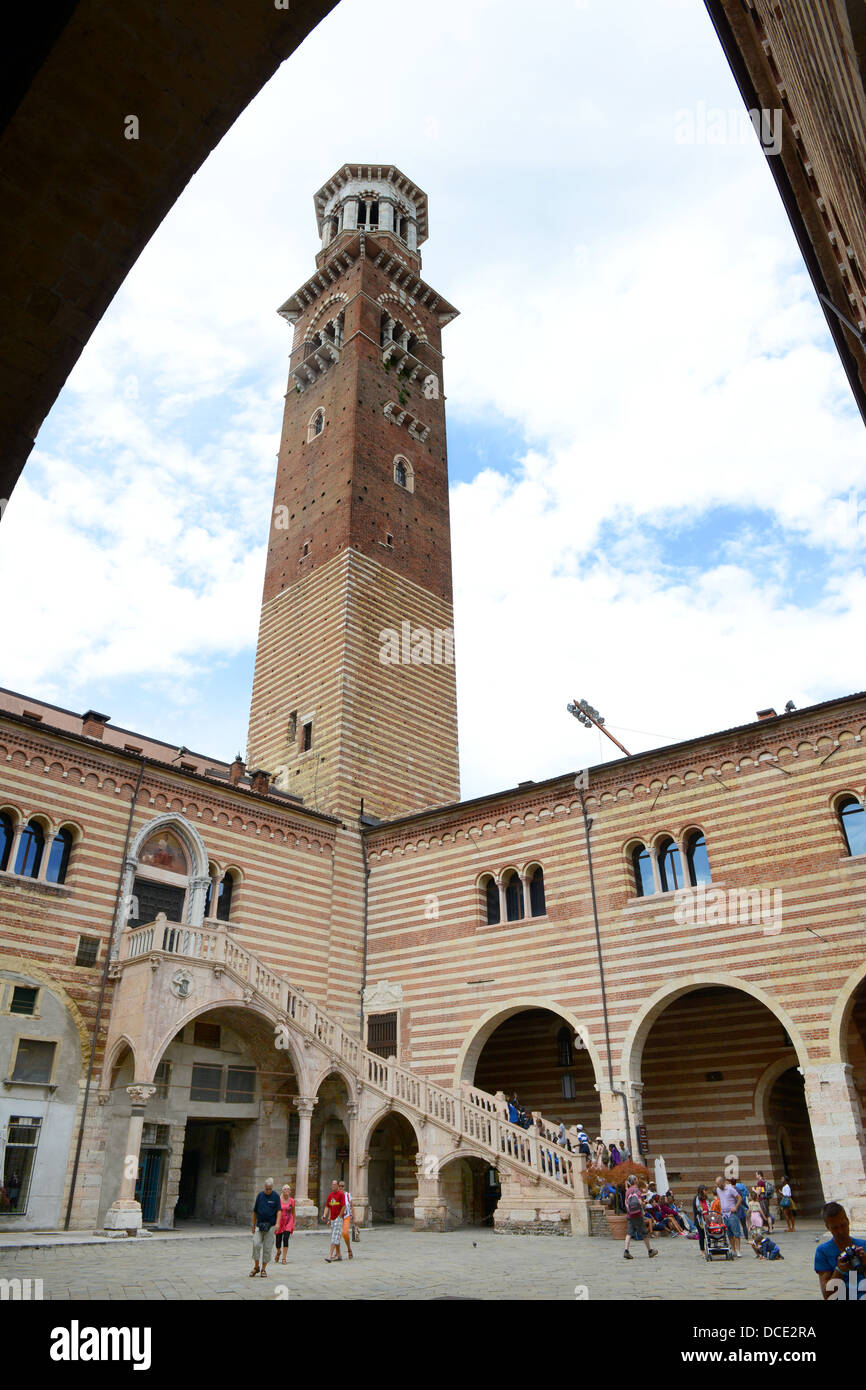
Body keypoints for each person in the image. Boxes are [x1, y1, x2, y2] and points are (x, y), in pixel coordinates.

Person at [814, 1201, 866, 1300]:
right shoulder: (823, 1252)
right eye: (835, 1228)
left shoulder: (864, 1246)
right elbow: (827, 1295)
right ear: (827, 1227)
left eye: (843, 1225)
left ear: (848, 1221)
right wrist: (839, 1271)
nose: (841, 1231)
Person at [250, 1178, 281, 1278]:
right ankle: (256, 1267)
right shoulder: (260, 1196)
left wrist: (277, 1224)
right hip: (260, 1225)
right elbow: (255, 1211)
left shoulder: (276, 1196)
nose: (268, 1191)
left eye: (270, 1189)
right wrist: (253, 1225)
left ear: (272, 1188)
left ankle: (263, 1269)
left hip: (270, 1226)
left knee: (267, 1248)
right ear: (264, 1187)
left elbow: (279, 1211)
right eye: (266, 1189)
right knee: (256, 1244)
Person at [622, 1177, 658, 1260]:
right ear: (635, 1181)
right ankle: (650, 1251)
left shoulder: (627, 1191)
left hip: (630, 1214)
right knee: (644, 1232)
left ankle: (626, 1251)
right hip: (637, 1214)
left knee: (629, 1233)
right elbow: (640, 1202)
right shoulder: (636, 1190)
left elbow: (625, 1203)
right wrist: (643, 1205)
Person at [715, 1175, 743, 1257]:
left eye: (719, 1184)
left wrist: (736, 1207)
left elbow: (739, 1198)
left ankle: (738, 1250)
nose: (718, 1186)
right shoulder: (718, 1190)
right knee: (729, 1234)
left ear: (723, 1182)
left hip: (732, 1213)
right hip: (724, 1214)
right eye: (717, 1185)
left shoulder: (730, 1189)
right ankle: (733, 1249)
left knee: (736, 1232)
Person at [322, 1178, 346, 1264]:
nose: (333, 1186)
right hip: (332, 1219)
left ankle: (329, 1255)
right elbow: (328, 1206)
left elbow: (344, 1206)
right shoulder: (330, 1195)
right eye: (332, 1184)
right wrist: (325, 1216)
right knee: (335, 1236)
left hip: (338, 1219)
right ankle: (339, 1255)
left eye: (334, 1185)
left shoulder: (341, 1194)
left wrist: (340, 1216)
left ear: (338, 1186)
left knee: (334, 1236)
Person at [275, 1183, 295, 1264]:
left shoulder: (292, 1201)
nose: (286, 1190)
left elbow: (293, 1212)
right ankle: (278, 1251)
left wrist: (293, 1222)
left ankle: (284, 1258)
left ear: (290, 1191)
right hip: (280, 1221)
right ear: (282, 1191)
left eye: (288, 1189)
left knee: (285, 1239)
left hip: (288, 1221)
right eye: (285, 1189)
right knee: (278, 1241)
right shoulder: (278, 1200)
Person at [337, 1180, 355, 1261]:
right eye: (339, 1186)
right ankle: (338, 1253)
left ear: (344, 1187)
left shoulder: (348, 1195)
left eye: (342, 1186)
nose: (341, 1187)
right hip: (338, 1217)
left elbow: (351, 1206)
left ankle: (349, 1249)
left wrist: (354, 1218)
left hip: (346, 1217)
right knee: (337, 1236)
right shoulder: (336, 1195)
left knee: (345, 1233)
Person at [693, 1185, 711, 1258]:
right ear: (703, 1191)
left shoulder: (706, 1199)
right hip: (700, 1219)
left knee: (708, 1234)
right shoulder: (696, 1199)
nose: (707, 1192)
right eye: (706, 1190)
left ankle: (709, 1249)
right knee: (702, 1236)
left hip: (707, 1219)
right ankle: (702, 1251)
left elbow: (709, 1206)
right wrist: (701, 1212)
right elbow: (695, 1210)